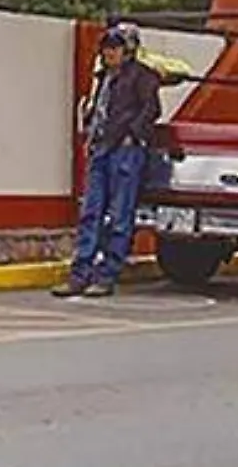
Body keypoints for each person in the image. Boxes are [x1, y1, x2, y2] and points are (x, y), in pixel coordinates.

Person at [54, 22, 161, 298]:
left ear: (129, 50)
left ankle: (107, 274)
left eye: (115, 47)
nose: (109, 52)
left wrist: (132, 135)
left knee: (119, 215)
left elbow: (151, 109)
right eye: (106, 48)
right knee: (91, 212)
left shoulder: (142, 76)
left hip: (125, 150)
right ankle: (80, 274)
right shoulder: (102, 78)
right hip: (100, 148)